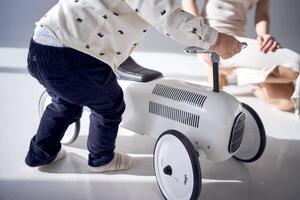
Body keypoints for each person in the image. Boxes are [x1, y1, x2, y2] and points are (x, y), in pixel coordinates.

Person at [25, 0, 242, 172]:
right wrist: (214, 40)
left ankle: (41, 153)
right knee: (110, 105)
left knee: (64, 104)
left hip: (42, 45)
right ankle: (101, 159)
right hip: (76, 55)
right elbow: (168, 18)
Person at [182, 0, 300, 113]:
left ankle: (233, 71)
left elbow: (262, 14)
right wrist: (201, 37)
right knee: (295, 66)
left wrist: (264, 35)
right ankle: (225, 67)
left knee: (287, 102)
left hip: (238, 45)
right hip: (213, 41)